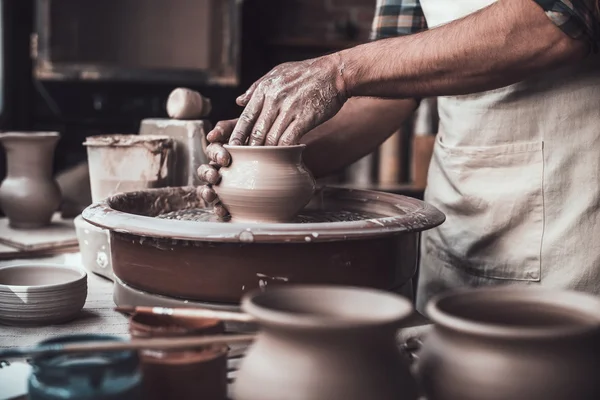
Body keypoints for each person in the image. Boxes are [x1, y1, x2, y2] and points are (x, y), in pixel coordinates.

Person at [198, 0, 600, 315]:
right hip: (462, 220)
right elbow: (391, 91)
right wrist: (265, 150)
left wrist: (339, 71)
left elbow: (561, 22)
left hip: (573, 221)